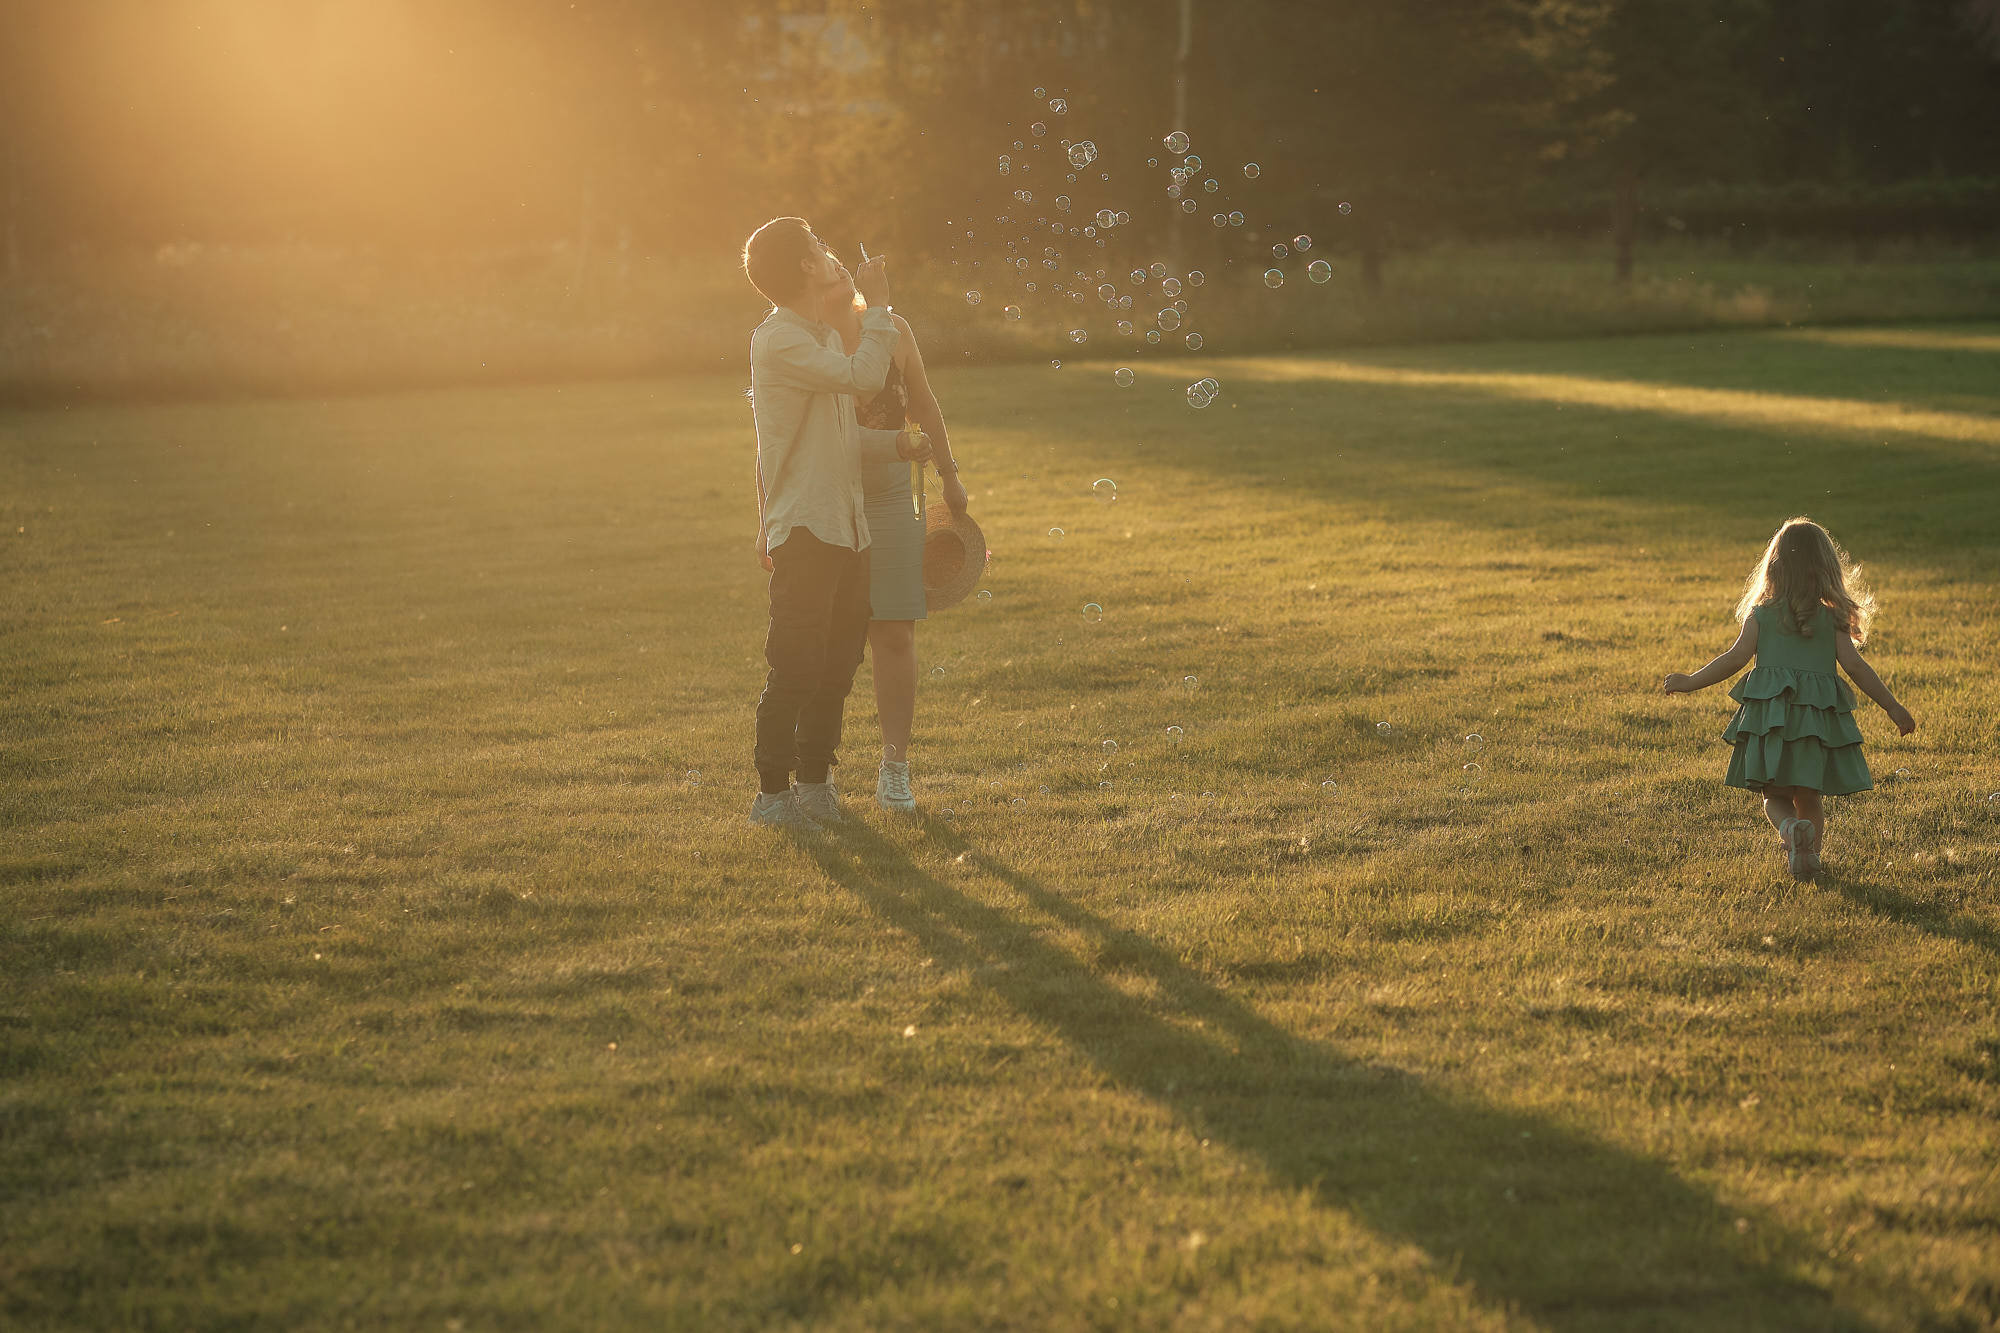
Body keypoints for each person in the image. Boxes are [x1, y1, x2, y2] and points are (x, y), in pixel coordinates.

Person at [740, 217, 931, 831]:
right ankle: (772, 797)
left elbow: (843, 433)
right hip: (805, 526)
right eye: (819, 247)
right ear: (803, 267)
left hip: (848, 527)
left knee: (837, 663)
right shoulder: (781, 341)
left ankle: (815, 784)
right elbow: (863, 378)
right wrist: (879, 308)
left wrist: (901, 451)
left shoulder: (820, 337)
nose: (829, 253)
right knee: (796, 663)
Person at [1664, 517, 1915, 879]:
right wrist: (1892, 706)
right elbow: (1857, 668)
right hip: (1814, 728)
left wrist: (1690, 681)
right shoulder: (1833, 620)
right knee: (1809, 797)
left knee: (1775, 796)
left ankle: (1788, 831)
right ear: (1826, 570)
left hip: (1773, 725)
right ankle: (1808, 855)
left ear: (1774, 568)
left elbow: (1734, 660)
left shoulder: (1762, 616)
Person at [818, 272, 966, 812]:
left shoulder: (894, 330)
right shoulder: (805, 340)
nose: (840, 274)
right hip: (826, 497)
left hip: (892, 500)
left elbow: (925, 406)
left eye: (842, 268)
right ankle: (816, 770)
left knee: (896, 634)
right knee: (827, 636)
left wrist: (950, 477)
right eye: (828, 267)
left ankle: (894, 767)